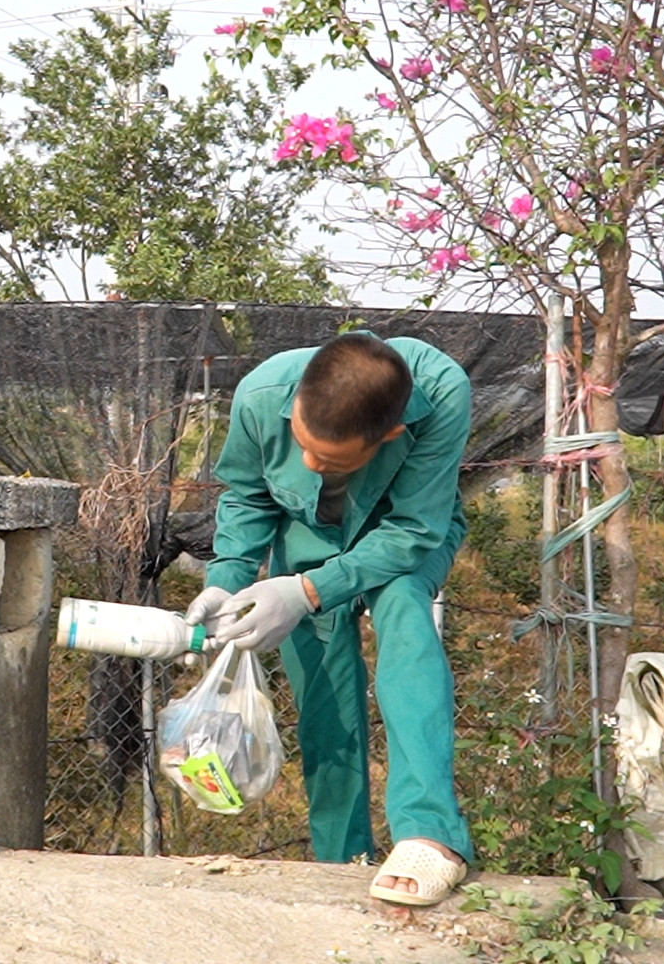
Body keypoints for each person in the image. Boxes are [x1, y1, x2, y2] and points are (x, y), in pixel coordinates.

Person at [185, 332, 472, 906]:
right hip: (306, 536)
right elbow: (247, 497)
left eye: (332, 461)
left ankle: (429, 834)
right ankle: (343, 856)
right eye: (303, 445)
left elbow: (414, 530)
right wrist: (227, 579)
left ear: (389, 436)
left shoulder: (442, 392)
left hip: (402, 535)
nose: (312, 464)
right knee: (323, 691)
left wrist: (307, 590)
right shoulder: (261, 393)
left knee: (404, 616)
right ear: (295, 405)